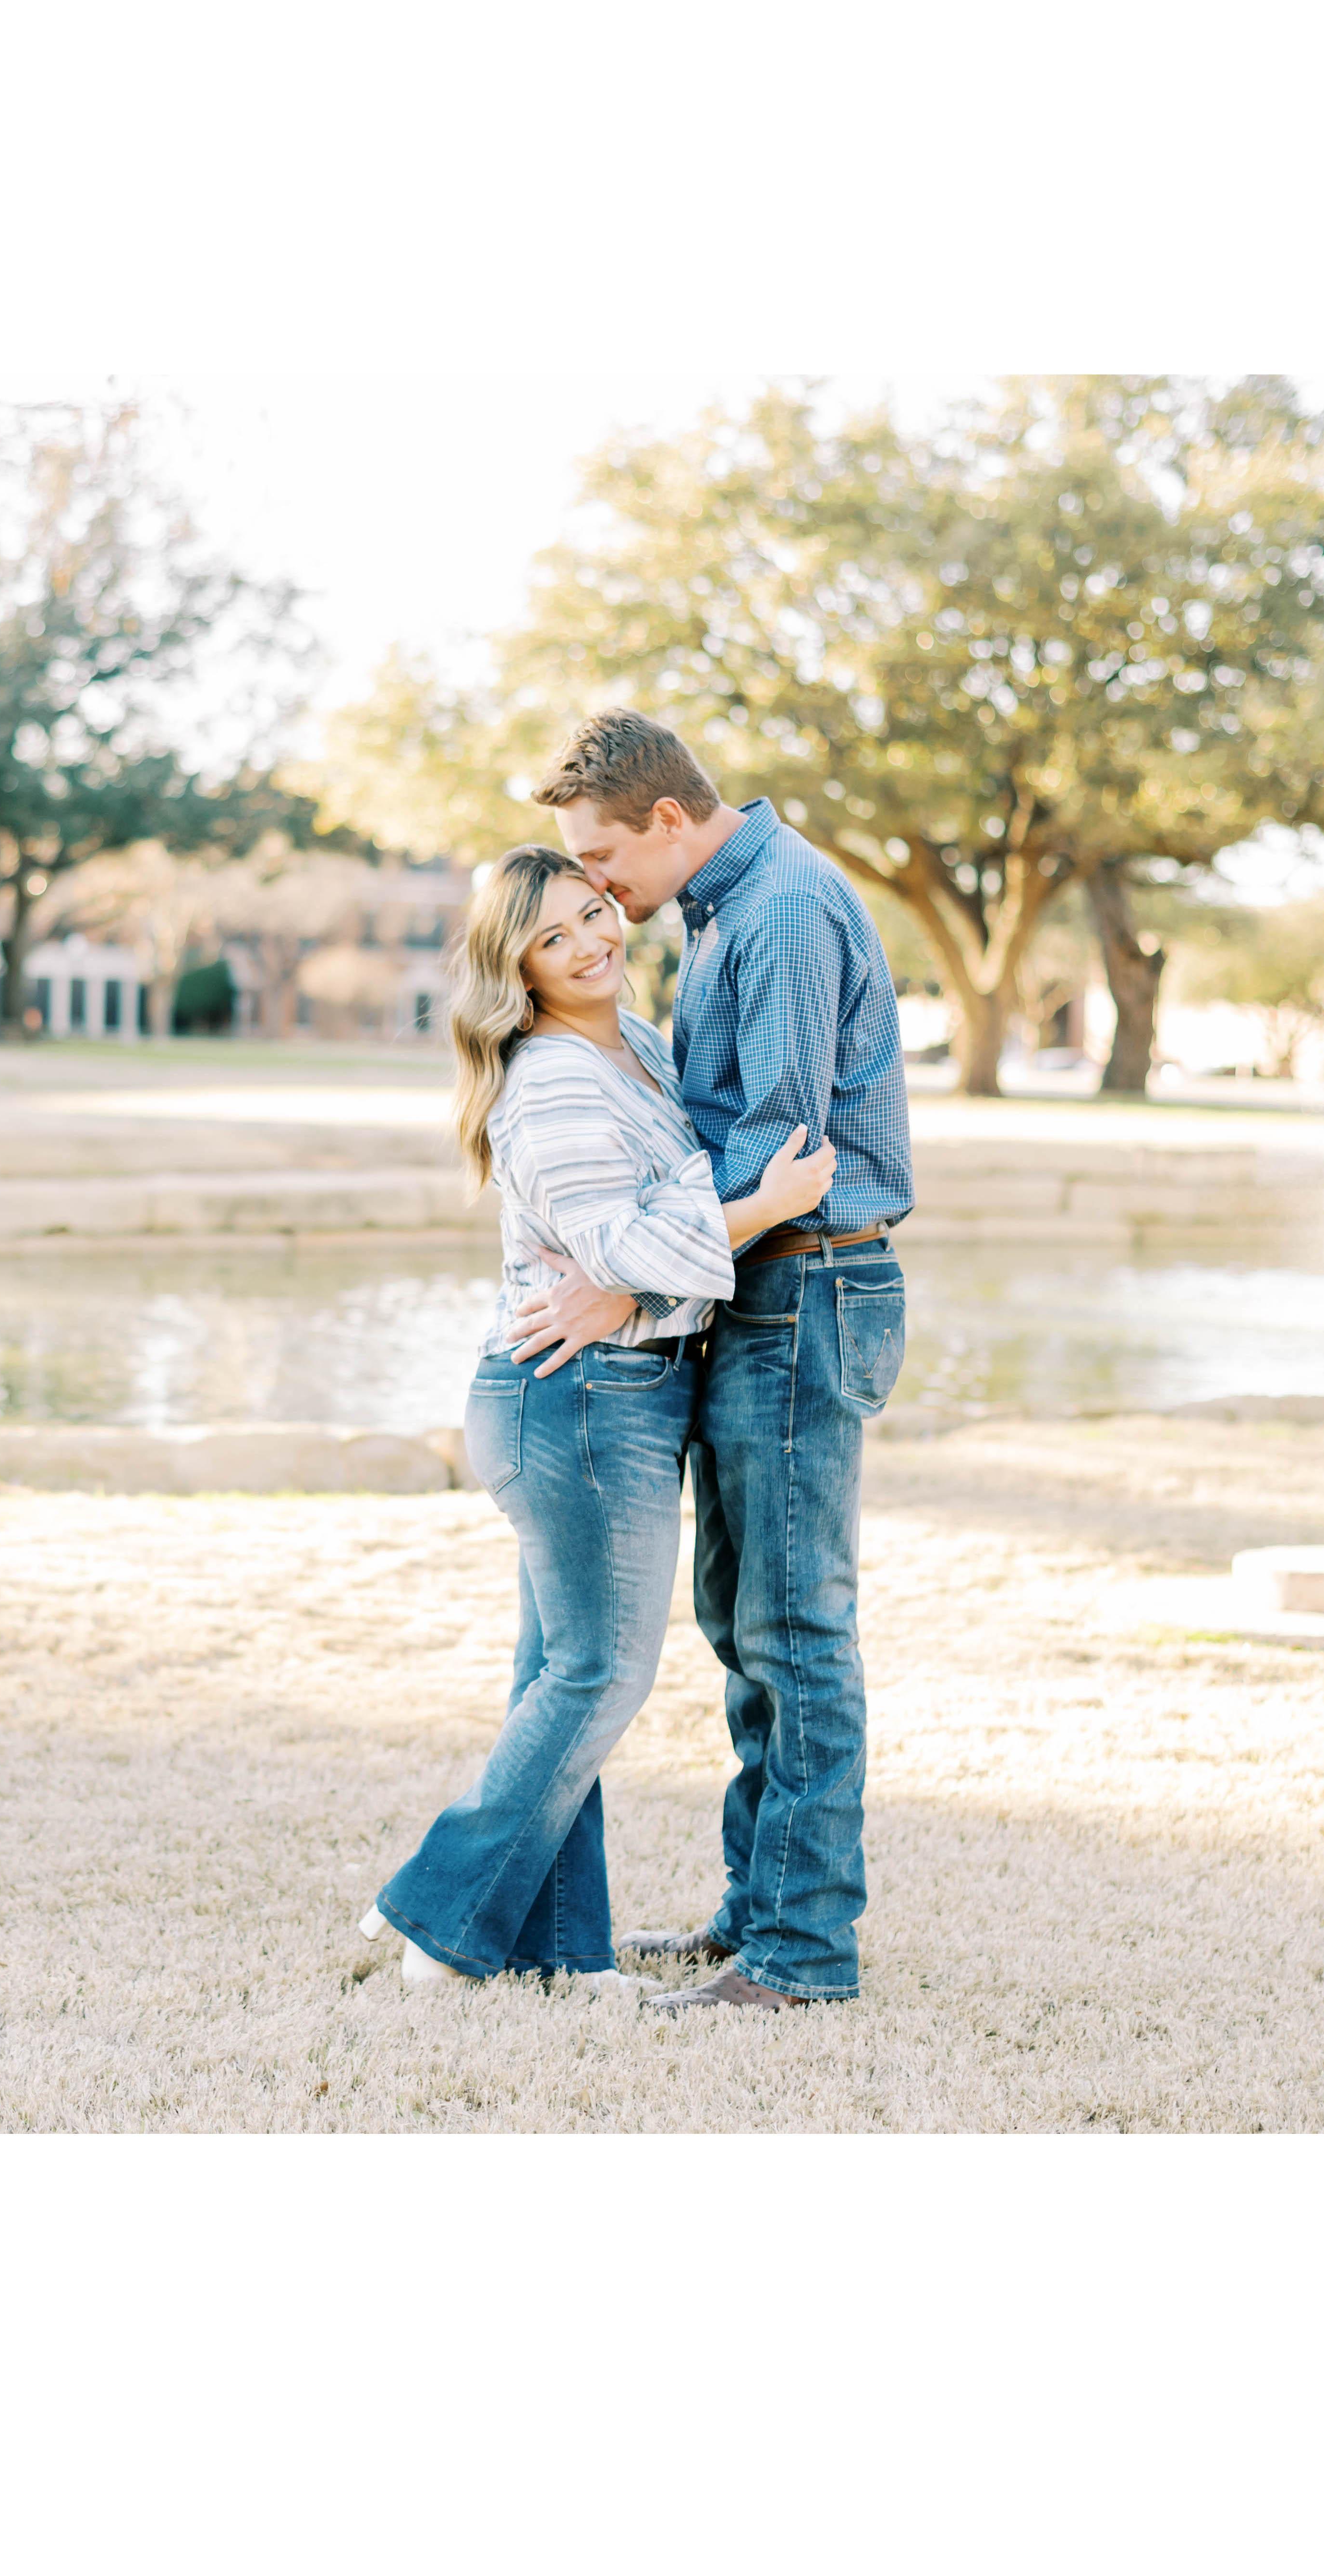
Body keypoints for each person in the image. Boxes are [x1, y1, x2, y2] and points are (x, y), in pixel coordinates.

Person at [359, 845, 837, 1994]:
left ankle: (568, 1951)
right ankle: (436, 1917)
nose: (590, 944)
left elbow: (629, 1235)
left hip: (616, 1392)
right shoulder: (558, 1075)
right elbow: (620, 1244)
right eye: (554, 939)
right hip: (578, 1400)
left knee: (561, 1675)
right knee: (599, 1677)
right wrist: (763, 1205)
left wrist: (649, 1250)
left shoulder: (638, 1050)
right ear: (518, 971)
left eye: (592, 914)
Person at [511, 710, 913, 2011]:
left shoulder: (783, 909)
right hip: (761, 1286)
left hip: (804, 1285)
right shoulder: (722, 904)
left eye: (602, 855)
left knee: (795, 1627)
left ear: (671, 820)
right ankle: (757, 1917)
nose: (596, 886)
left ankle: (799, 1956)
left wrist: (623, 1268)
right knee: (749, 1621)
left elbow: (779, 1145)